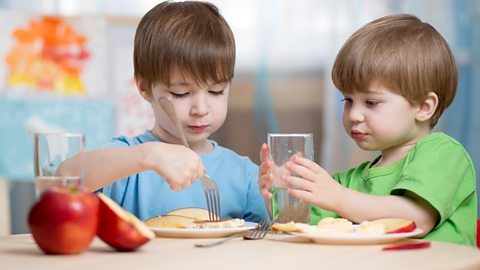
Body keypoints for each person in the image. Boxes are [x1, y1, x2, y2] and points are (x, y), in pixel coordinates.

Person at [259, 14, 477, 246]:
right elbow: (303, 229)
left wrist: (337, 197)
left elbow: (417, 219)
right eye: (348, 100)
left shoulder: (443, 154)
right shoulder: (348, 181)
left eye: (371, 102)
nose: (353, 115)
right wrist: (283, 194)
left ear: (424, 107)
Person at [71, 1, 268, 222]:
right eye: (180, 93)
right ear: (144, 88)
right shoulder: (129, 159)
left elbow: (272, 237)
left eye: (216, 91)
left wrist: (280, 198)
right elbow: (61, 180)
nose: (200, 110)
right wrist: (148, 156)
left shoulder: (245, 175)